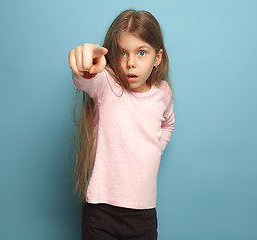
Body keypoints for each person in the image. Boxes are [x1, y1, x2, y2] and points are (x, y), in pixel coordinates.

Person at [68, 9, 175, 240]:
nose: (131, 63)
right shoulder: (107, 83)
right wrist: (83, 61)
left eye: (141, 53)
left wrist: (155, 149)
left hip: (143, 214)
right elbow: (84, 78)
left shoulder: (162, 93)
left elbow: (168, 124)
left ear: (157, 57)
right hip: (101, 212)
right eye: (123, 53)